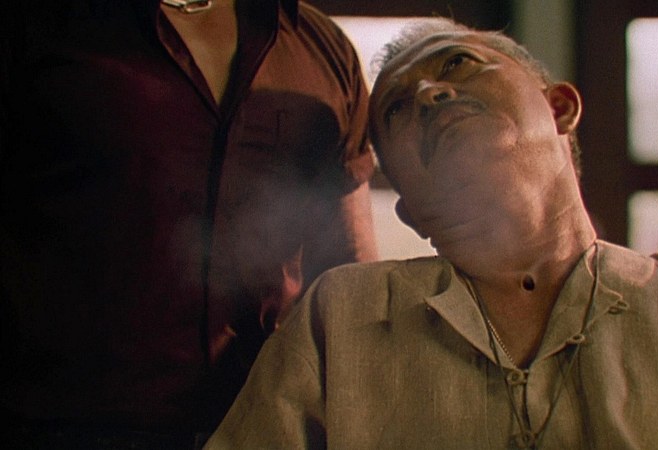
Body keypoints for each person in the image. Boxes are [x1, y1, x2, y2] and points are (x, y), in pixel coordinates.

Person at [205, 18, 658, 449]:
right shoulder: (342, 320)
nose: (430, 92)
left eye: (458, 63)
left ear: (559, 107)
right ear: (410, 211)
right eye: (397, 108)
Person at [0, 0, 377, 448]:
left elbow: (350, 275)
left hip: (266, 425)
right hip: (66, 423)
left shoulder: (321, 47)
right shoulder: (37, 27)